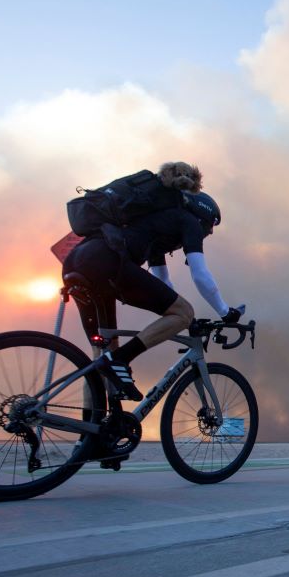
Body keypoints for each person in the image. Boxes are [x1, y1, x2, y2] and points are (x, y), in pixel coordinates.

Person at [61, 161, 243, 401]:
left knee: (102, 354)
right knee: (180, 314)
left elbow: (163, 282)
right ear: (203, 217)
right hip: (105, 263)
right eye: (208, 230)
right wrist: (224, 311)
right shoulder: (187, 221)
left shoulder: (156, 228)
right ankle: (121, 360)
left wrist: (178, 314)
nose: (206, 235)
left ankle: (92, 433)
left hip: (77, 261)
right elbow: (200, 274)